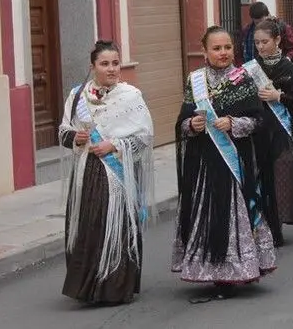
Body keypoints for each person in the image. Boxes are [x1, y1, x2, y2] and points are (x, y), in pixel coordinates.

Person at [172, 26, 277, 303]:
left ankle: (235, 270)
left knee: (232, 214)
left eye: (227, 47)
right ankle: (209, 269)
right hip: (204, 162)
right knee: (205, 213)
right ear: (204, 51)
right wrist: (191, 124)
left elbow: (259, 120)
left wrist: (234, 123)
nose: (223, 53)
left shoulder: (243, 80)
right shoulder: (195, 80)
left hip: (234, 161)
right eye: (216, 48)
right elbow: (182, 121)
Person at [59, 40, 155, 305]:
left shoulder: (131, 96)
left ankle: (114, 287)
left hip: (117, 171)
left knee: (116, 228)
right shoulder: (78, 96)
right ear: (93, 67)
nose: (111, 69)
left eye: (115, 63)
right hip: (87, 173)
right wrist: (76, 137)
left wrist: (114, 145)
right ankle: (87, 286)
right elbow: (63, 131)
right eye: (104, 64)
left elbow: (144, 136)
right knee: (89, 226)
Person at [247, 19, 293, 246]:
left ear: (278, 40)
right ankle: (259, 225)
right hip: (257, 130)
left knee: (279, 177)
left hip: (280, 131)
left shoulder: (287, 68)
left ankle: (276, 226)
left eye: (265, 42)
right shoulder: (251, 69)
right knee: (259, 178)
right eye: (257, 42)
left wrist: (278, 96)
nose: (261, 46)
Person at [236, 2, 293, 66]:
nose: (260, 25)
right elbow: (238, 54)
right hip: (251, 70)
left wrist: (286, 60)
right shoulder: (246, 31)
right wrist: (241, 67)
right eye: (257, 23)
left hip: (277, 69)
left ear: (268, 15)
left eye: (263, 21)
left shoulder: (282, 28)